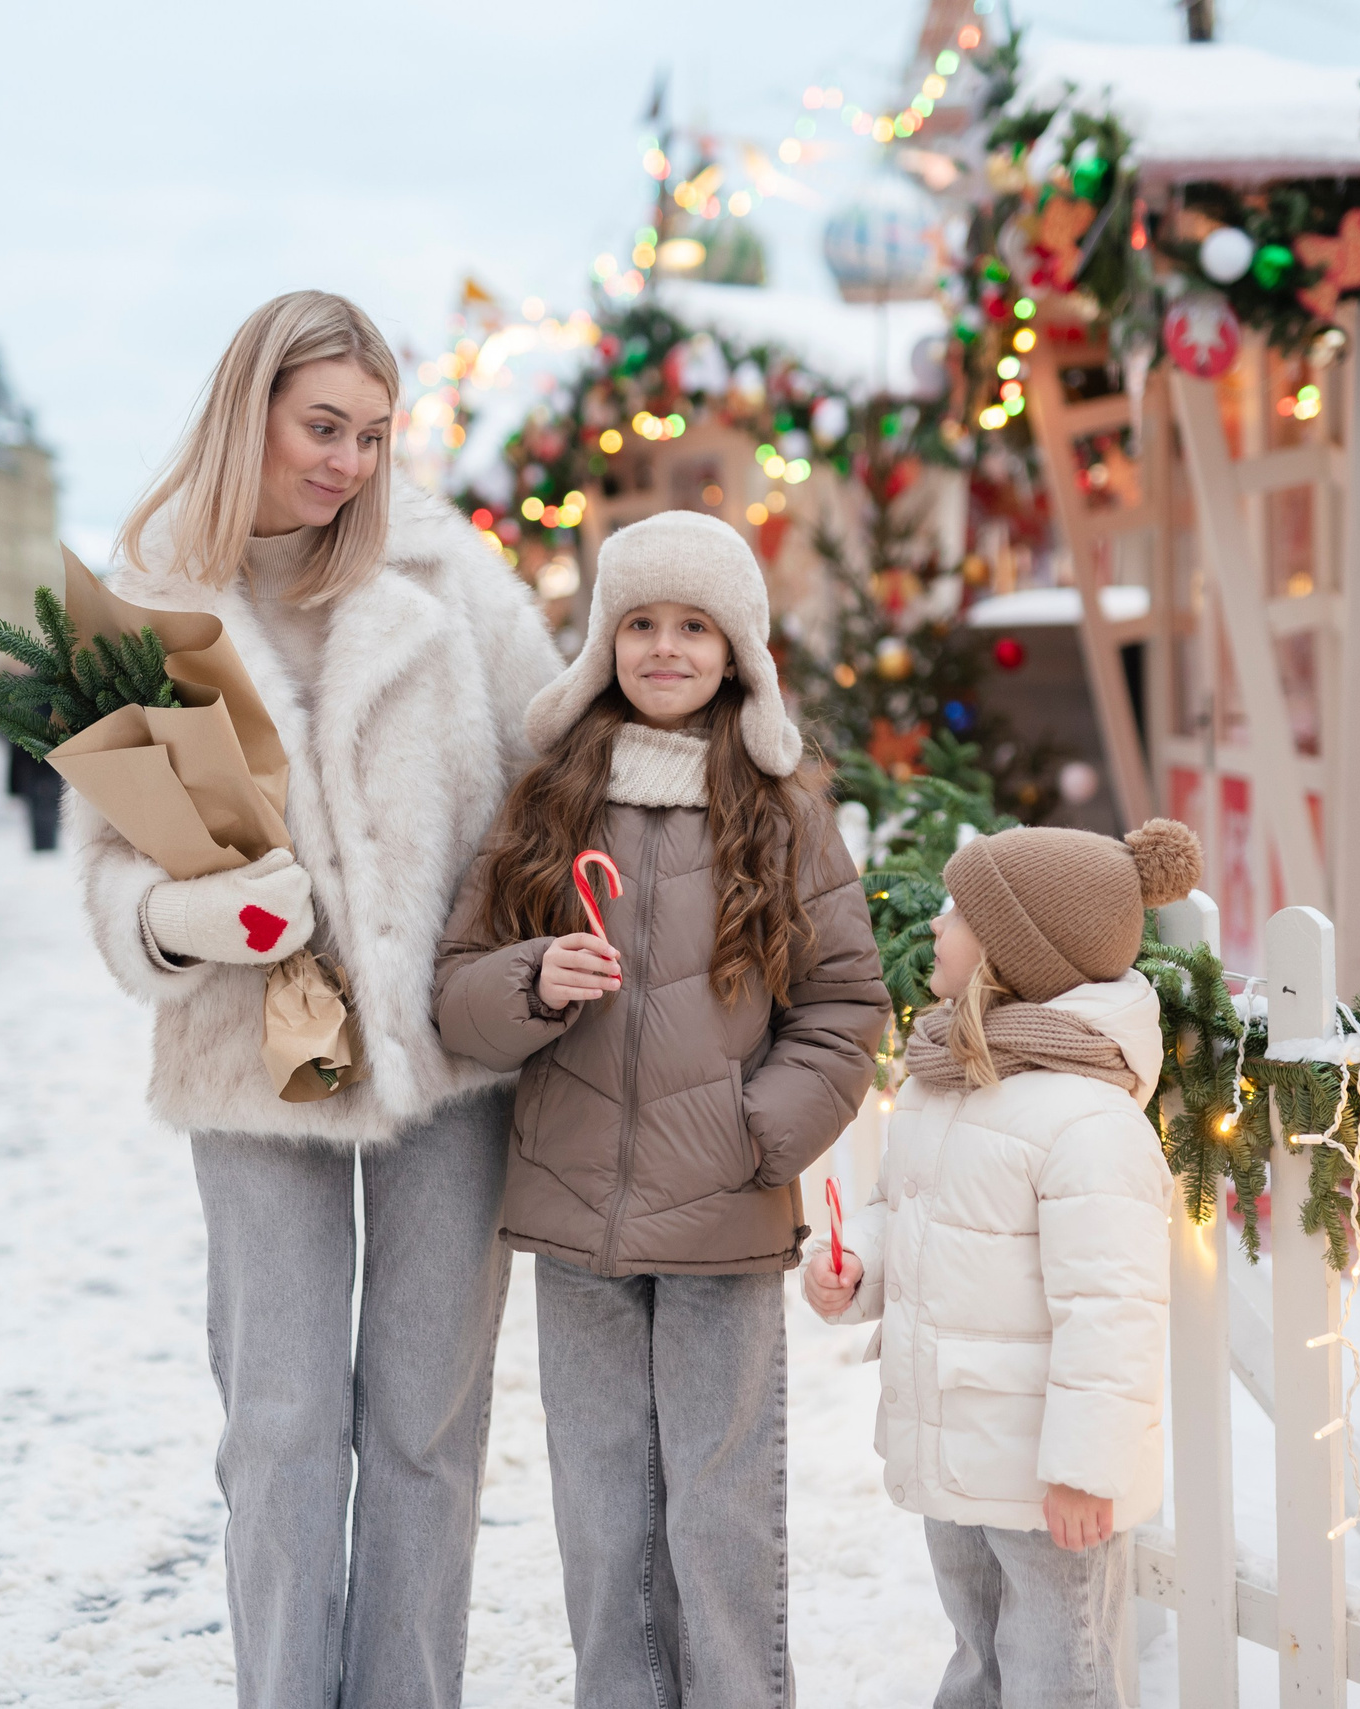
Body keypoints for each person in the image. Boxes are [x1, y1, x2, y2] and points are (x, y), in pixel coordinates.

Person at [72, 290, 560, 1708]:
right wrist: (190, 918)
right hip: (249, 1056)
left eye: (373, 434)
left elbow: (558, 757)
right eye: (322, 427)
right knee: (280, 1423)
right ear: (252, 413)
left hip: (448, 1049)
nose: (348, 462)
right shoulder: (151, 605)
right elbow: (106, 865)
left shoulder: (449, 579)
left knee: (426, 1426)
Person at [431, 510, 888, 1707]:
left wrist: (756, 1131)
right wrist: (534, 979)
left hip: (722, 1218)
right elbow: (457, 988)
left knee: (720, 1507)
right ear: (605, 641)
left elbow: (844, 1002)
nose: (666, 647)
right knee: (601, 1509)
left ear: (737, 650)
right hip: (574, 1218)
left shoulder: (782, 811)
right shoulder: (548, 801)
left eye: (695, 625)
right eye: (640, 623)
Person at [802, 820, 1202, 1709]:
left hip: (1048, 1475)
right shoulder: (945, 1081)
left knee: (1059, 1672)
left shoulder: (1086, 1120)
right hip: (959, 1442)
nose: (933, 926)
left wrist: (1085, 1468)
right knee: (978, 1654)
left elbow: (1114, 1310)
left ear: (1014, 951)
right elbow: (901, 1209)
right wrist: (857, 1263)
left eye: (955, 913)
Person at [5, 734, 62, 854]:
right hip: (34, 774)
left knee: (47, 810)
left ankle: (47, 846)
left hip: (47, 773)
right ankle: (43, 847)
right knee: (41, 810)